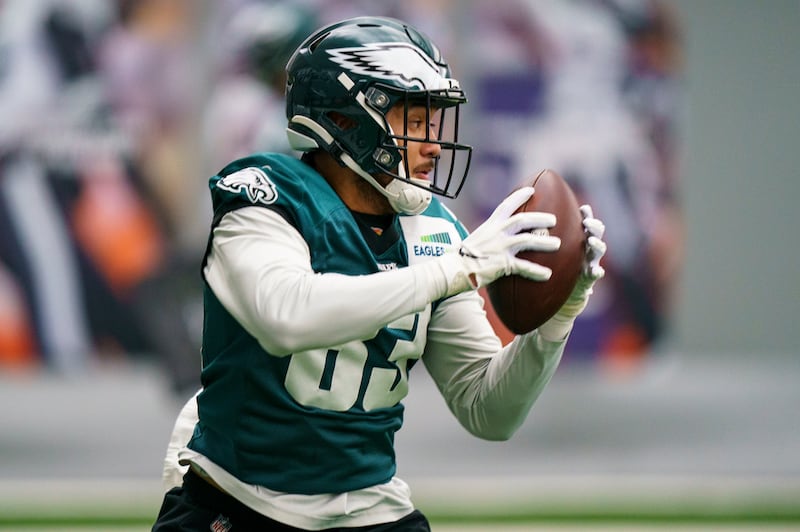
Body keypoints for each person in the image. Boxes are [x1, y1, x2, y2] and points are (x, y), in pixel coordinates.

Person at [152, 16, 606, 531]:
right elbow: (287, 316)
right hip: (242, 503)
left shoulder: (434, 231)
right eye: (414, 120)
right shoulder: (263, 200)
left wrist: (558, 317)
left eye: (435, 122)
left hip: (371, 508)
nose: (433, 145)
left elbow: (490, 410)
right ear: (343, 119)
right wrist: (454, 270)